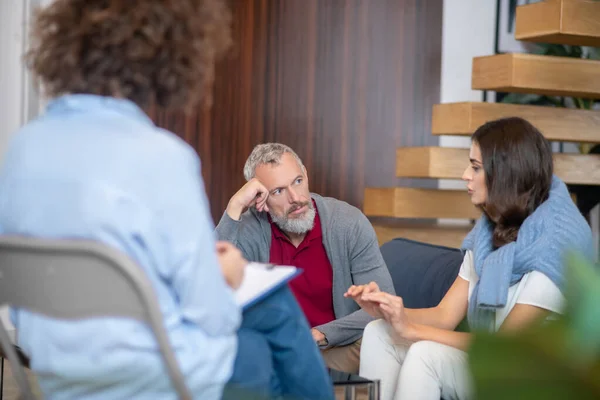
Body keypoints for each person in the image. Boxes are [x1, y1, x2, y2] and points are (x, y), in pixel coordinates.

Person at [0, 1, 333, 399]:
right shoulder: (163, 157)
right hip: (155, 378)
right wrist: (223, 271)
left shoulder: (24, 148)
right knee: (269, 321)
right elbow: (209, 315)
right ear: (168, 58)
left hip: (57, 371)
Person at [345, 117, 595, 400]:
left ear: (506, 173)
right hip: (491, 362)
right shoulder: (489, 230)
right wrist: (389, 312)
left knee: (426, 355)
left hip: (528, 376)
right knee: (380, 332)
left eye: (475, 167)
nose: (465, 175)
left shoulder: (557, 244)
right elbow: (444, 316)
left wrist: (412, 330)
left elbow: (503, 347)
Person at [215, 142, 395, 373]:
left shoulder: (348, 222)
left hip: (335, 347)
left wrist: (321, 334)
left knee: (378, 339)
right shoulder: (250, 229)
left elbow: (383, 303)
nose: (295, 198)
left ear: (306, 176)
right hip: (272, 351)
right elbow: (209, 287)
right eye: (277, 191)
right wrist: (234, 206)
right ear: (260, 198)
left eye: (298, 182)